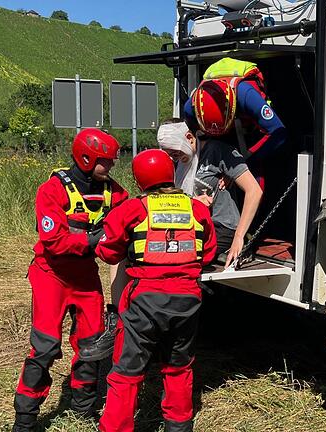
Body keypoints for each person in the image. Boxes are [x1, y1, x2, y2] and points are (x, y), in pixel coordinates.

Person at [13, 129, 129, 432]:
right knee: (45, 347)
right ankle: (25, 419)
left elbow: (129, 220)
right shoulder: (52, 190)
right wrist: (97, 239)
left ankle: (83, 409)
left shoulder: (113, 192)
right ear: (87, 158)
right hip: (51, 274)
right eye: (107, 161)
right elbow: (54, 242)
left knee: (92, 344)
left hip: (85, 275)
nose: (113, 166)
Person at [95, 149, 216, 432]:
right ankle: (179, 426)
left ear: (139, 181)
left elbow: (109, 252)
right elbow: (207, 253)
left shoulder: (132, 209)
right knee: (178, 368)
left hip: (144, 302)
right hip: (187, 301)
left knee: (126, 373)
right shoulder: (196, 209)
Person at [158, 119, 262, 268]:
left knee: (180, 250)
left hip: (221, 227)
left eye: (175, 152)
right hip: (191, 225)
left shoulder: (217, 152)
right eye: (170, 154)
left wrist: (239, 237)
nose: (174, 157)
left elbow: (254, 191)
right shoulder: (177, 162)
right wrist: (192, 204)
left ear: (189, 137)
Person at [184, 57, 286, 190]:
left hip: (248, 129)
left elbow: (279, 132)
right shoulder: (191, 107)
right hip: (218, 134)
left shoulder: (246, 95)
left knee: (254, 174)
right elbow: (193, 138)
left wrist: (244, 162)